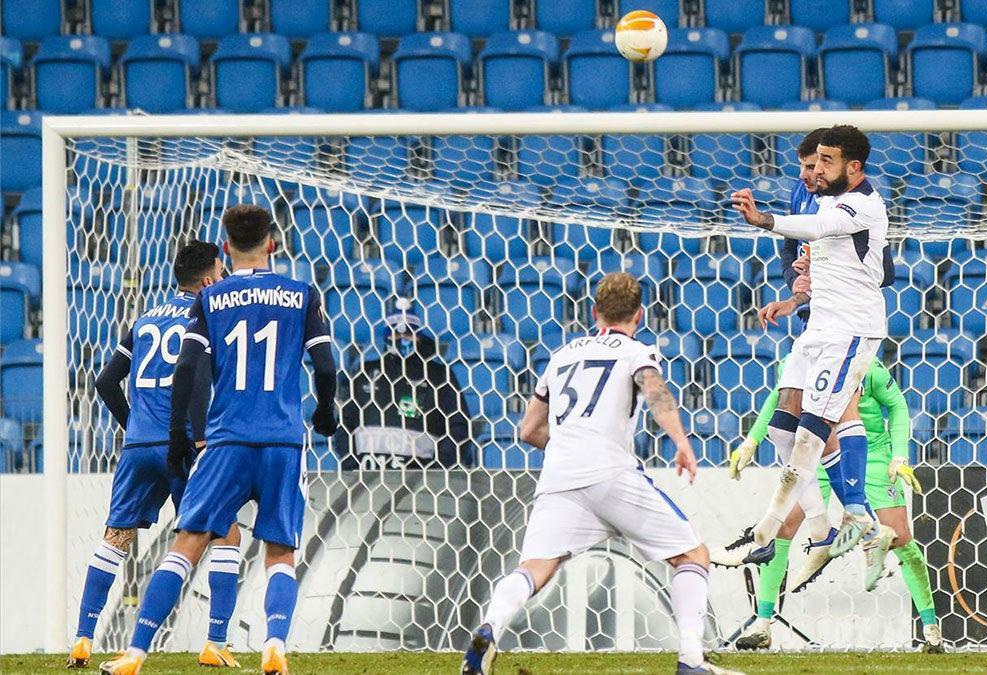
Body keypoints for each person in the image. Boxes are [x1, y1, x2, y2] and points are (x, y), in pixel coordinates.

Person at [461, 272, 742, 675]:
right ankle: (691, 660)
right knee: (693, 555)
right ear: (640, 315)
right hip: (610, 471)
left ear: (595, 312)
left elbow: (527, 430)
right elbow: (655, 391)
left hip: (559, 477)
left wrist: (567, 449)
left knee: (535, 568)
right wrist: (681, 441)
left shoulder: (561, 357)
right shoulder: (635, 351)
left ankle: (489, 627)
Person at [99, 205, 339, 675]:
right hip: (283, 443)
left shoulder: (211, 299)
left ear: (226, 248)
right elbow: (326, 366)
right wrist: (326, 411)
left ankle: (136, 654)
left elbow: (188, 369)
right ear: (272, 242)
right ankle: (273, 646)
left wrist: (187, 436)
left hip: (225, 441)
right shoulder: (302, 294)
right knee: (280, 553)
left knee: (188, 542)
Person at [69, 242, 243, 669]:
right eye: (220, 274)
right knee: (226, 535)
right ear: (207, 281)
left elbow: (107, 381)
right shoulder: (207, 320)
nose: (223, 281)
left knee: (116, 539)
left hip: (138, 448)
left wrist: (134, 428)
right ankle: (216, 640)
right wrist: (200, 440)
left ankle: (82, 640)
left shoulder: (145, 319)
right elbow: (199, 384)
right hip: (182, 443)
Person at [730, 125, 891, 573]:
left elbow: (824, 229)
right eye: (814, 160)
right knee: (783, 427)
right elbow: (819, 253)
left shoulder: (862, 204)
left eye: (827, 161)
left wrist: (764, 220)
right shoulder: (824, 200)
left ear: (853, 167)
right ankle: (836, 524)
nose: (817, 169)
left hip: (850, 331)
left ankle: (768, 527)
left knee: (812, 432)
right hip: (818, 327)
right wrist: (798, 293)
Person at [734, 348, 944, 652]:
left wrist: (899, 454)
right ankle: (763, 625)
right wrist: (750, 441)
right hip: (818, 453)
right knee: (783, 528)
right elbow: (777, 401)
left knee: (900, 539)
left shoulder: (867, 367)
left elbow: (897, 405)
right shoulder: (796, 363)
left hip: (871, 455)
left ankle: (931, 630)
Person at [341, 298, 472, 468]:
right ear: (387, 336)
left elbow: (459, 427)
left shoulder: (438, 376)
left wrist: (436, 470)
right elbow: (344, 426)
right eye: (396, 333)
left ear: (419, 337)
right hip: (366, 480)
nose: (402, 339)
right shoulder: (364, 374)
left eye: (409, 334)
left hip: (421, 483)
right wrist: (352, 467)